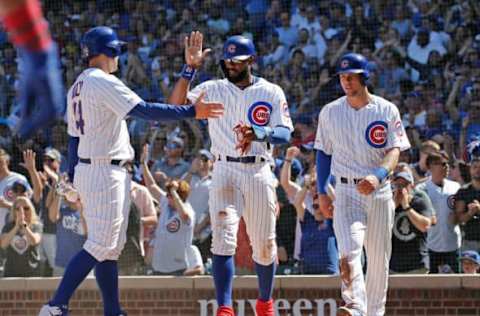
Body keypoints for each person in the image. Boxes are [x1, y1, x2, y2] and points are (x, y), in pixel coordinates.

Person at [38, 26, 223, 316]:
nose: (118, 57)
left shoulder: (79, 84)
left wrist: (73, 176)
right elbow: (145, 110)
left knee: (110, 248)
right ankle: (55, 305)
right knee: (101, 244)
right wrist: (191, 112)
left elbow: (74, 138)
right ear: (107, 51)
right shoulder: (102, 81)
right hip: (103, 171)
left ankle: (113, 310)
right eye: (115, 50)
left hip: (96, 169)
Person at [168, 32, 293, 316]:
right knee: (223, 238)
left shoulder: (271, 91)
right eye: (227, 61)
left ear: (252, 60)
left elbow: (286, 132)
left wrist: (260, 132)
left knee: (264, 244)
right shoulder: (212, 87)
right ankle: (224, 307)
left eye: (237, 61)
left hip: (259, 168)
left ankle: (264, 303)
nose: (231, 66)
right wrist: (190, 68)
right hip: (224, 168)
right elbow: (175, 107)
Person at [314, 53, 410, 316]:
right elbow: (323, 153)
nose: (345, 81)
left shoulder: (385, 109)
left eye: (351, 76)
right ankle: (355, 305)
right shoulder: (331, 111)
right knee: (348, 249)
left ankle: (374, 314)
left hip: (378, 191)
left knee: (378, 260)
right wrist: (322, 191)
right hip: (345, 191)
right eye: (343, 76)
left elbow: (395, 150)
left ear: (364, 77)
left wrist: (378, 174)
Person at [0, 0, 64, 139]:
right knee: (52, 109)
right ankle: (20, 137)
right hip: (37, 56)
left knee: (43, 111)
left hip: (32, 54)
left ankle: (20, 136)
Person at [417, 151, 461, 273]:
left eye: (447, 164)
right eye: (441, 164)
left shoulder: (455, 187)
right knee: (432, 284)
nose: (445, 167)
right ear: (430, 166)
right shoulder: (421, 189)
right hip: (431, 245)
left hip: (453, 243)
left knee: (456, 282)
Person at [390, 167, 435, 274]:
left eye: (404, 185)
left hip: (417, 265)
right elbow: (380, 230)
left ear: (412, 186)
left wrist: (406, 207)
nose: (401, 189)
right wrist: (394, 207)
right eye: (398, 185)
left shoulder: (419, 202)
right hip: (393, 266)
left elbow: (425, 226)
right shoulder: (388, 205)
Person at [293, 173, 339, 275]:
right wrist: (307, 185)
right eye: (315, 206)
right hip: (307, 273)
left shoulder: (332, 220)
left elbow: (336, 201)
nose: (318, 209)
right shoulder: (307, 219)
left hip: (330, 274)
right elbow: (297, 202)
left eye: (321, 205)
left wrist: (324, 183)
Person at [150, 179, 195, 275]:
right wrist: (143, 164)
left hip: (177, 268)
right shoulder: (166, 204)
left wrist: (174, 192)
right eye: (168, 195)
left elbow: (184, 216)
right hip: (158, 266)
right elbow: (152, 186)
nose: (167, 197)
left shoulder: (188, 210)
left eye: (170, 195)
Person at [0, 196, 42, 277]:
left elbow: (34, 241)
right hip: (11, 273)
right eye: (18, 209)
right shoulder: (8, 226)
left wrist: (24, 226)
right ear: (14, 211)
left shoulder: (36, 226)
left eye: (26, 208)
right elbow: (3, 244)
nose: (22, 211)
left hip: (32, 273)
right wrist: (16, 227)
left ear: (31, 210)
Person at [455, 157, 480, 253]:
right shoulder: (463, 191)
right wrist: (470, 213)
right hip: (470, 241)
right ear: (470, 169)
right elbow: (458, 219)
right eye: (475, 167)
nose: (478, 170)